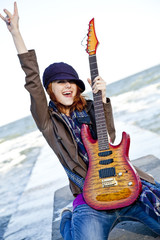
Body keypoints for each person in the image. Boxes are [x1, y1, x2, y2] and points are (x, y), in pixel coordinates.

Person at [1, 2, 160, 240]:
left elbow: (110, 140)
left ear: (77, 87)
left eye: (71, 81)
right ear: (50, 90)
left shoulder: (89, 107)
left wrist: (103, 100)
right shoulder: (47, 121)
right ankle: (68, 219)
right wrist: (16, 34)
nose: (67, 85)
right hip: (90, 197)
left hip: (124, 185)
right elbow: (32, 80)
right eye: (60, 82)